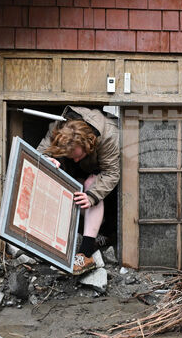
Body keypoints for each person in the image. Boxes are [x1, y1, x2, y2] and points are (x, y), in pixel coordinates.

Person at [37, 106, 120, 274]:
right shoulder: (58, 128)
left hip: (101, 170)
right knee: (69, 182)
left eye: (76, 155)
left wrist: (91, 197)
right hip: (78, 172)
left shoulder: (109, 134)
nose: (74, 160)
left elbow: (111, 172)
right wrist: (48, 159)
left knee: (91, 185)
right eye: (70, 156)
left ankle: (86, 253)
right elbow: (40, 152)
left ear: (87, 143)